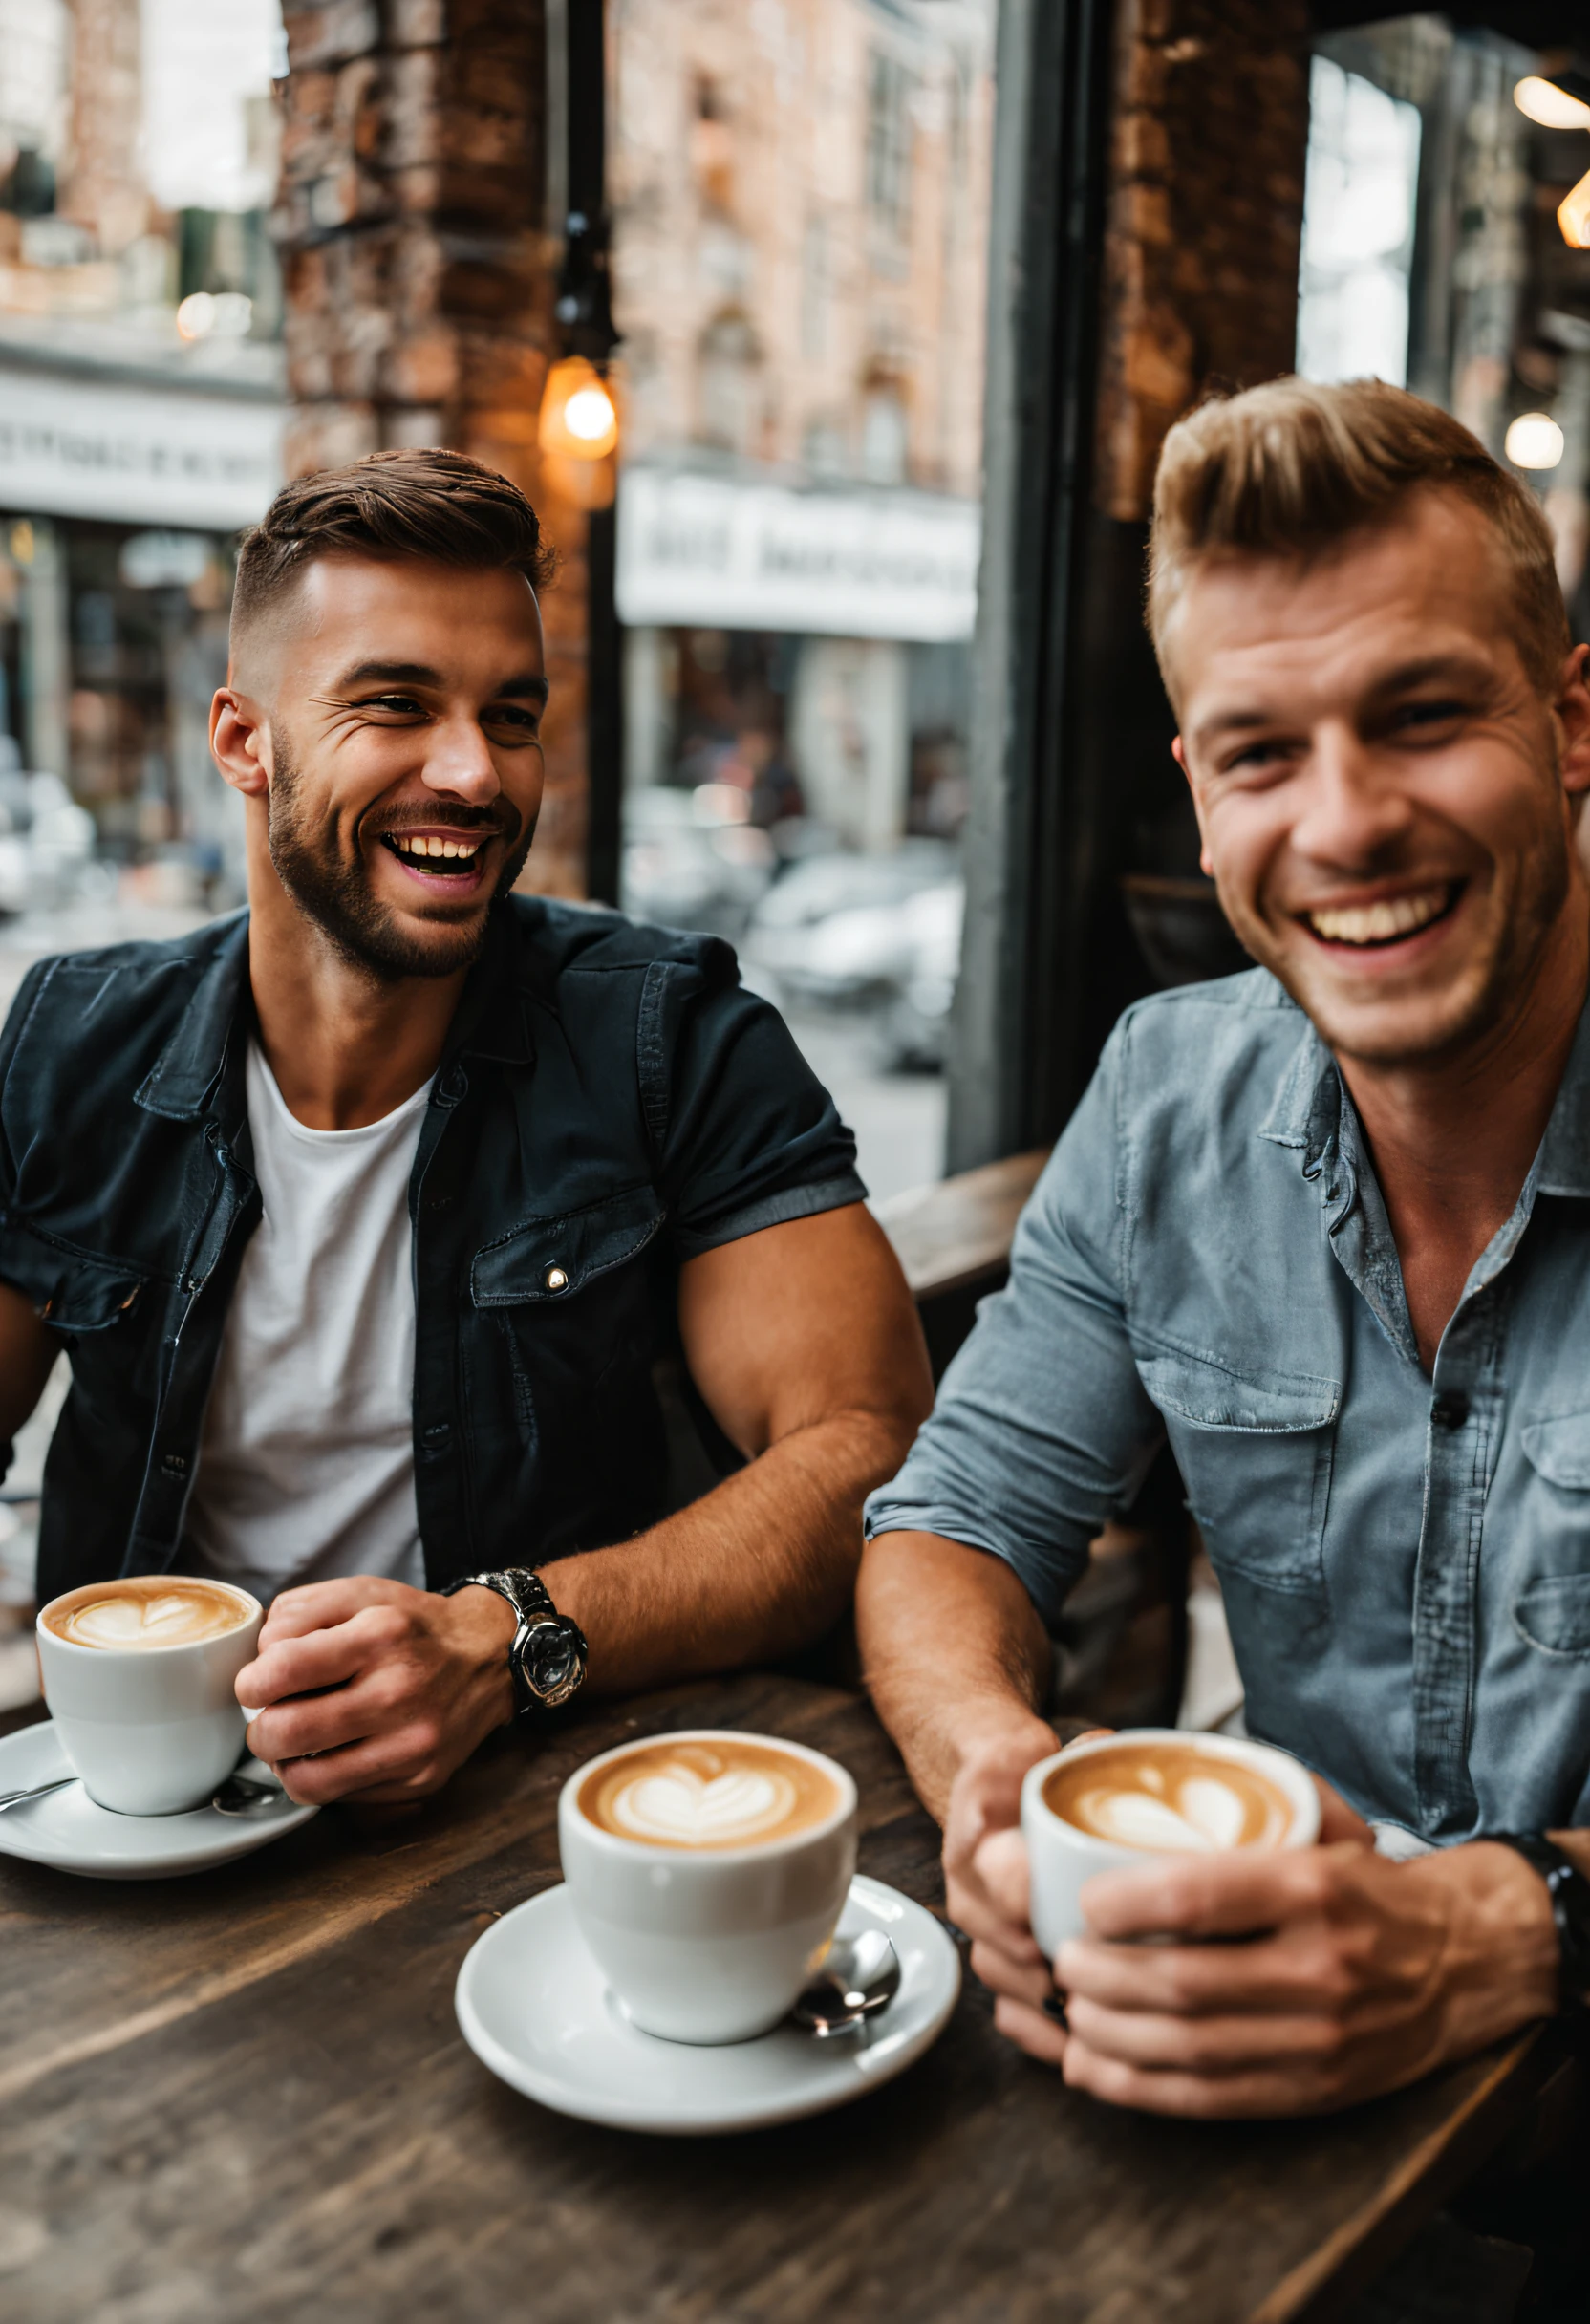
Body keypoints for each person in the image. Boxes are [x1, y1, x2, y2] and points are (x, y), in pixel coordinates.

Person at [857, 377, 1590, 2119]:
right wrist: (993, 1777)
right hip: (1261, 2086)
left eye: (1419, 716)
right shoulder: (1165, 1093)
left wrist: (1499, 1930)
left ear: (1573, 725)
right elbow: (952, 1525)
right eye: (1264, 751)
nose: (1340, 824)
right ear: (1201, 797)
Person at [1, 448, 931, 1804]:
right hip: (143, 1814)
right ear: (243, 741)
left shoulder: (670, 1039)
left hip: (537, 1799)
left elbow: (869, 1454)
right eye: (396, 705)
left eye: (510, 715)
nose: (476, 774)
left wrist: (506, 1635)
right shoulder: (75, 1044)